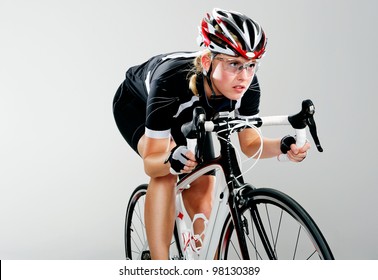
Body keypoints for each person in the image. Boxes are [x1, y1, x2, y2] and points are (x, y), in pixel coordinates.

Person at [113, 8, 310, 260]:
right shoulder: (171, 79)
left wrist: (284, 146)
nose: (244, 76)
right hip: (137, 103)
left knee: (204, 183)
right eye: (234, 64)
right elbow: (151, 163)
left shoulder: (247, 86)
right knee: (166, 173)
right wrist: (170, 160)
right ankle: (159, 267)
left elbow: (249, 143)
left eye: (251, 65)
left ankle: (201, 261)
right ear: (207, 61)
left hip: (194, 115)